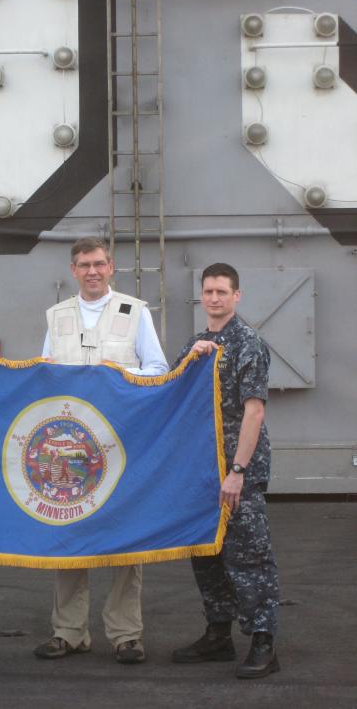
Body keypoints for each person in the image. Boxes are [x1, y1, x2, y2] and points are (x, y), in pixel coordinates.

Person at [33, 237, 169, 665]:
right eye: (83, 265)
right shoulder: (56, 317)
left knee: (125, 536)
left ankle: (126, 633)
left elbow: (158, 370)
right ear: (73, 270)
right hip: (72, 447)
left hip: (120, 443)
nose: (92, 271)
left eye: (98, 263)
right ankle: (68, 631)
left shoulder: (136, 312)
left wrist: (119, 376)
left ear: (111, 267)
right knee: (69, 534)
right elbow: (43, 376)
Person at [171, 262, 280, 679]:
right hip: (201, 468)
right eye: (208, 291)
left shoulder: (248, 343)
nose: (214, 298)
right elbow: (170, 393)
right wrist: (188, 363)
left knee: (249, 556)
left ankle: (264, 642)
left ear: (237, 296)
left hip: (237, 469)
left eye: (222, 291)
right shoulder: (197, 343)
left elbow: (254, 412)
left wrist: (238, 470)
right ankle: (218, 633)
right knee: (208, 553)